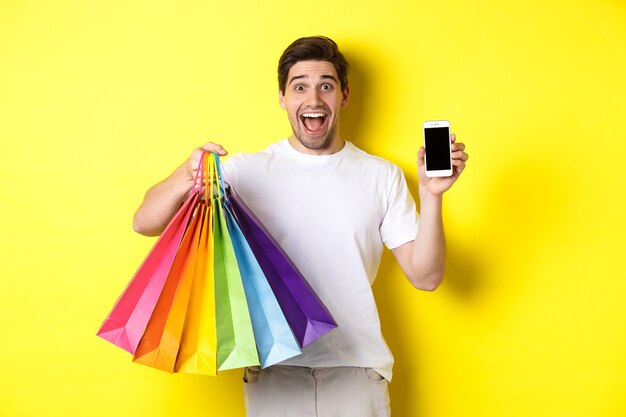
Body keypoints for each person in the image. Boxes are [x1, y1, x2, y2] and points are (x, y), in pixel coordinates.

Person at [133, 36, 468, 417]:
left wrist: (432, 194)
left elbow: (426, 277)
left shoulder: (381, 176)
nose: (313, 99)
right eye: (300, 87)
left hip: (356, 370)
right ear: (282, 97)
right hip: (274, 369)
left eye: (326, 85)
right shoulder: (244, 173)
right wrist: (185, 173)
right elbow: (144, 222)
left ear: (343, 95)